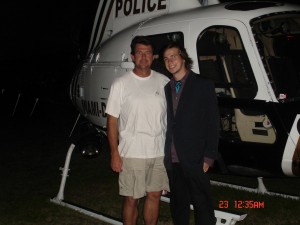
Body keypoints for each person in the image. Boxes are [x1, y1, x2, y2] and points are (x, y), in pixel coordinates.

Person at [105, 36, 170, 225]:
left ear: (154, 56)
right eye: (139, 52)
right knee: (132, 199)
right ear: (133, 56)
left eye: (147, 52)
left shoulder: (164, 82)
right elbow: (112, 121)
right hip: (132, 153)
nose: (143, 56)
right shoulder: (121, 84)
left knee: (155, 195)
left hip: (158, 152)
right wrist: (114, 153)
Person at [163, 42, 220, 225]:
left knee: (202, 205)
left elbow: (213, 122)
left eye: (173, 56)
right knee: (178, 207)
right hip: (173, 159)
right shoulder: (167, 88)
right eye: (166, 58)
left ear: (183, 58)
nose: (170, 61)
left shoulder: (203, 84)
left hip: (196, 158)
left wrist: (209, 156)